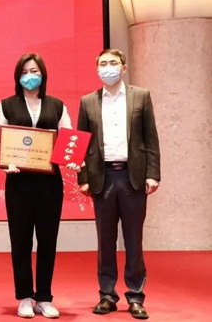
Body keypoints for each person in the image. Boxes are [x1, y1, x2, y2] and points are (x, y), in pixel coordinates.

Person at [75, 49, 160, 320]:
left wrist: (153, 174)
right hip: (102, 178)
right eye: (103, 63)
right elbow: (81, 142)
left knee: (134, 239)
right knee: (105, 240)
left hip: (132, 176)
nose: (108, 67)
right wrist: (83, 178)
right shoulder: (88, 101)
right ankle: (107, 295)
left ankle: (135, 296)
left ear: (123, 68)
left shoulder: (141, 96)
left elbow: (150, 137)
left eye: (113, 63)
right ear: (97, 69)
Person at [0, 53, 71, 319]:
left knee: (48, 240)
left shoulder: (57, 105)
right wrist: (6, 161)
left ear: (43, 74)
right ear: (17, 76)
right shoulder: (6, 105)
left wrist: (72, 158)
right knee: (20, 240)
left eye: (34, 71)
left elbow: (68, 139)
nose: (30, 76)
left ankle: (44, 297)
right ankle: (24, 296)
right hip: (18, 182)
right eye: (24, 71)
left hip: (50, 183)